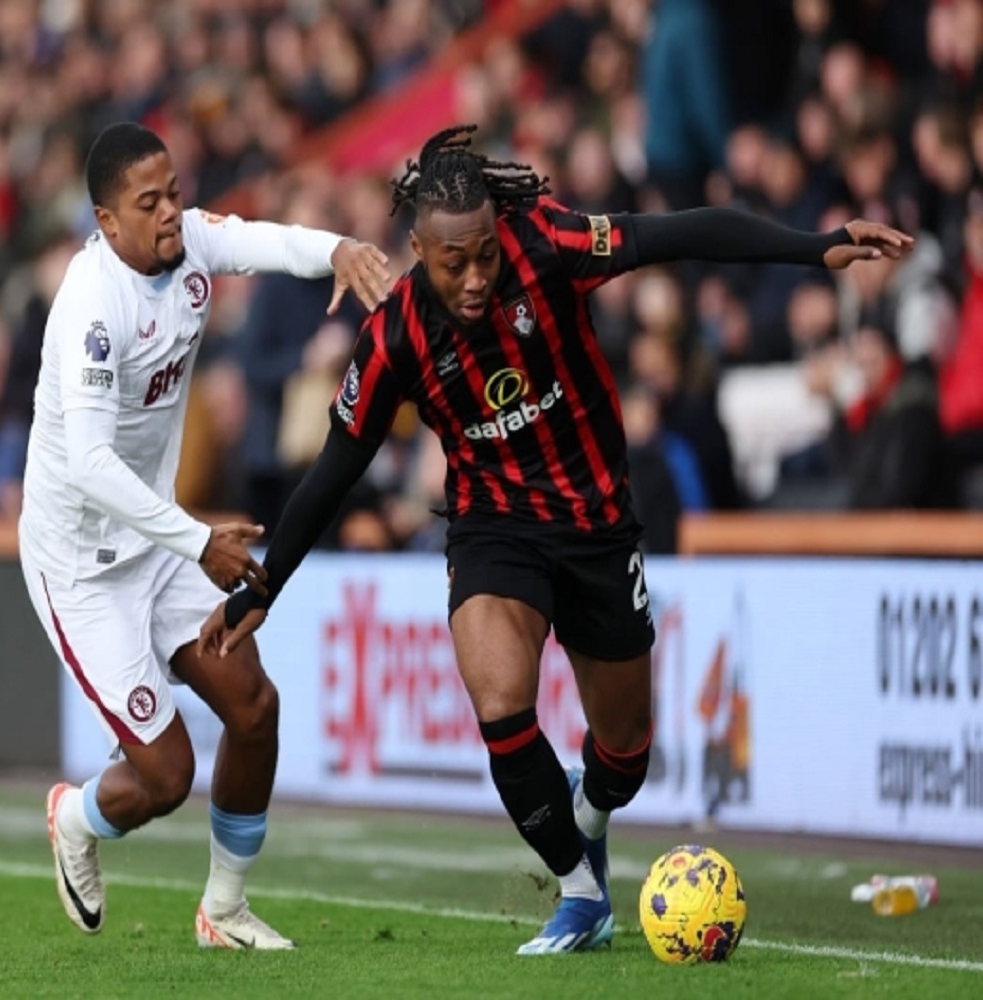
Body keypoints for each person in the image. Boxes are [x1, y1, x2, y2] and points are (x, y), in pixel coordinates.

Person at [199, 125, 912, 955]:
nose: (475, 277)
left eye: (485, 256)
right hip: (494, 528)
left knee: (625, 756)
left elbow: (678, 233)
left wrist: (815, 247)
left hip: (598, 523)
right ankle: (580, 892)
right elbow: (333, 470)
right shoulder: (393, 338)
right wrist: (264, 587)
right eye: (453, 262)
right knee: (501, 703)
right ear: (418, 250)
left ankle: (591, 814)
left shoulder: (546, 245)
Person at [19, 121, 389, 950]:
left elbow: (259, 239)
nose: (169, 213)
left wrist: (336, 250)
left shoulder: (186, 244)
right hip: (80, 566)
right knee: (167, 776)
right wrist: (197, 538)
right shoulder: (91, 306)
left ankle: (223, 911)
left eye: (174, 193)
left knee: (254, 707)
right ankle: (74, 817)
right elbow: (90, 465)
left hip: (155, 540)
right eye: (147, 203)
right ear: (105, 221)